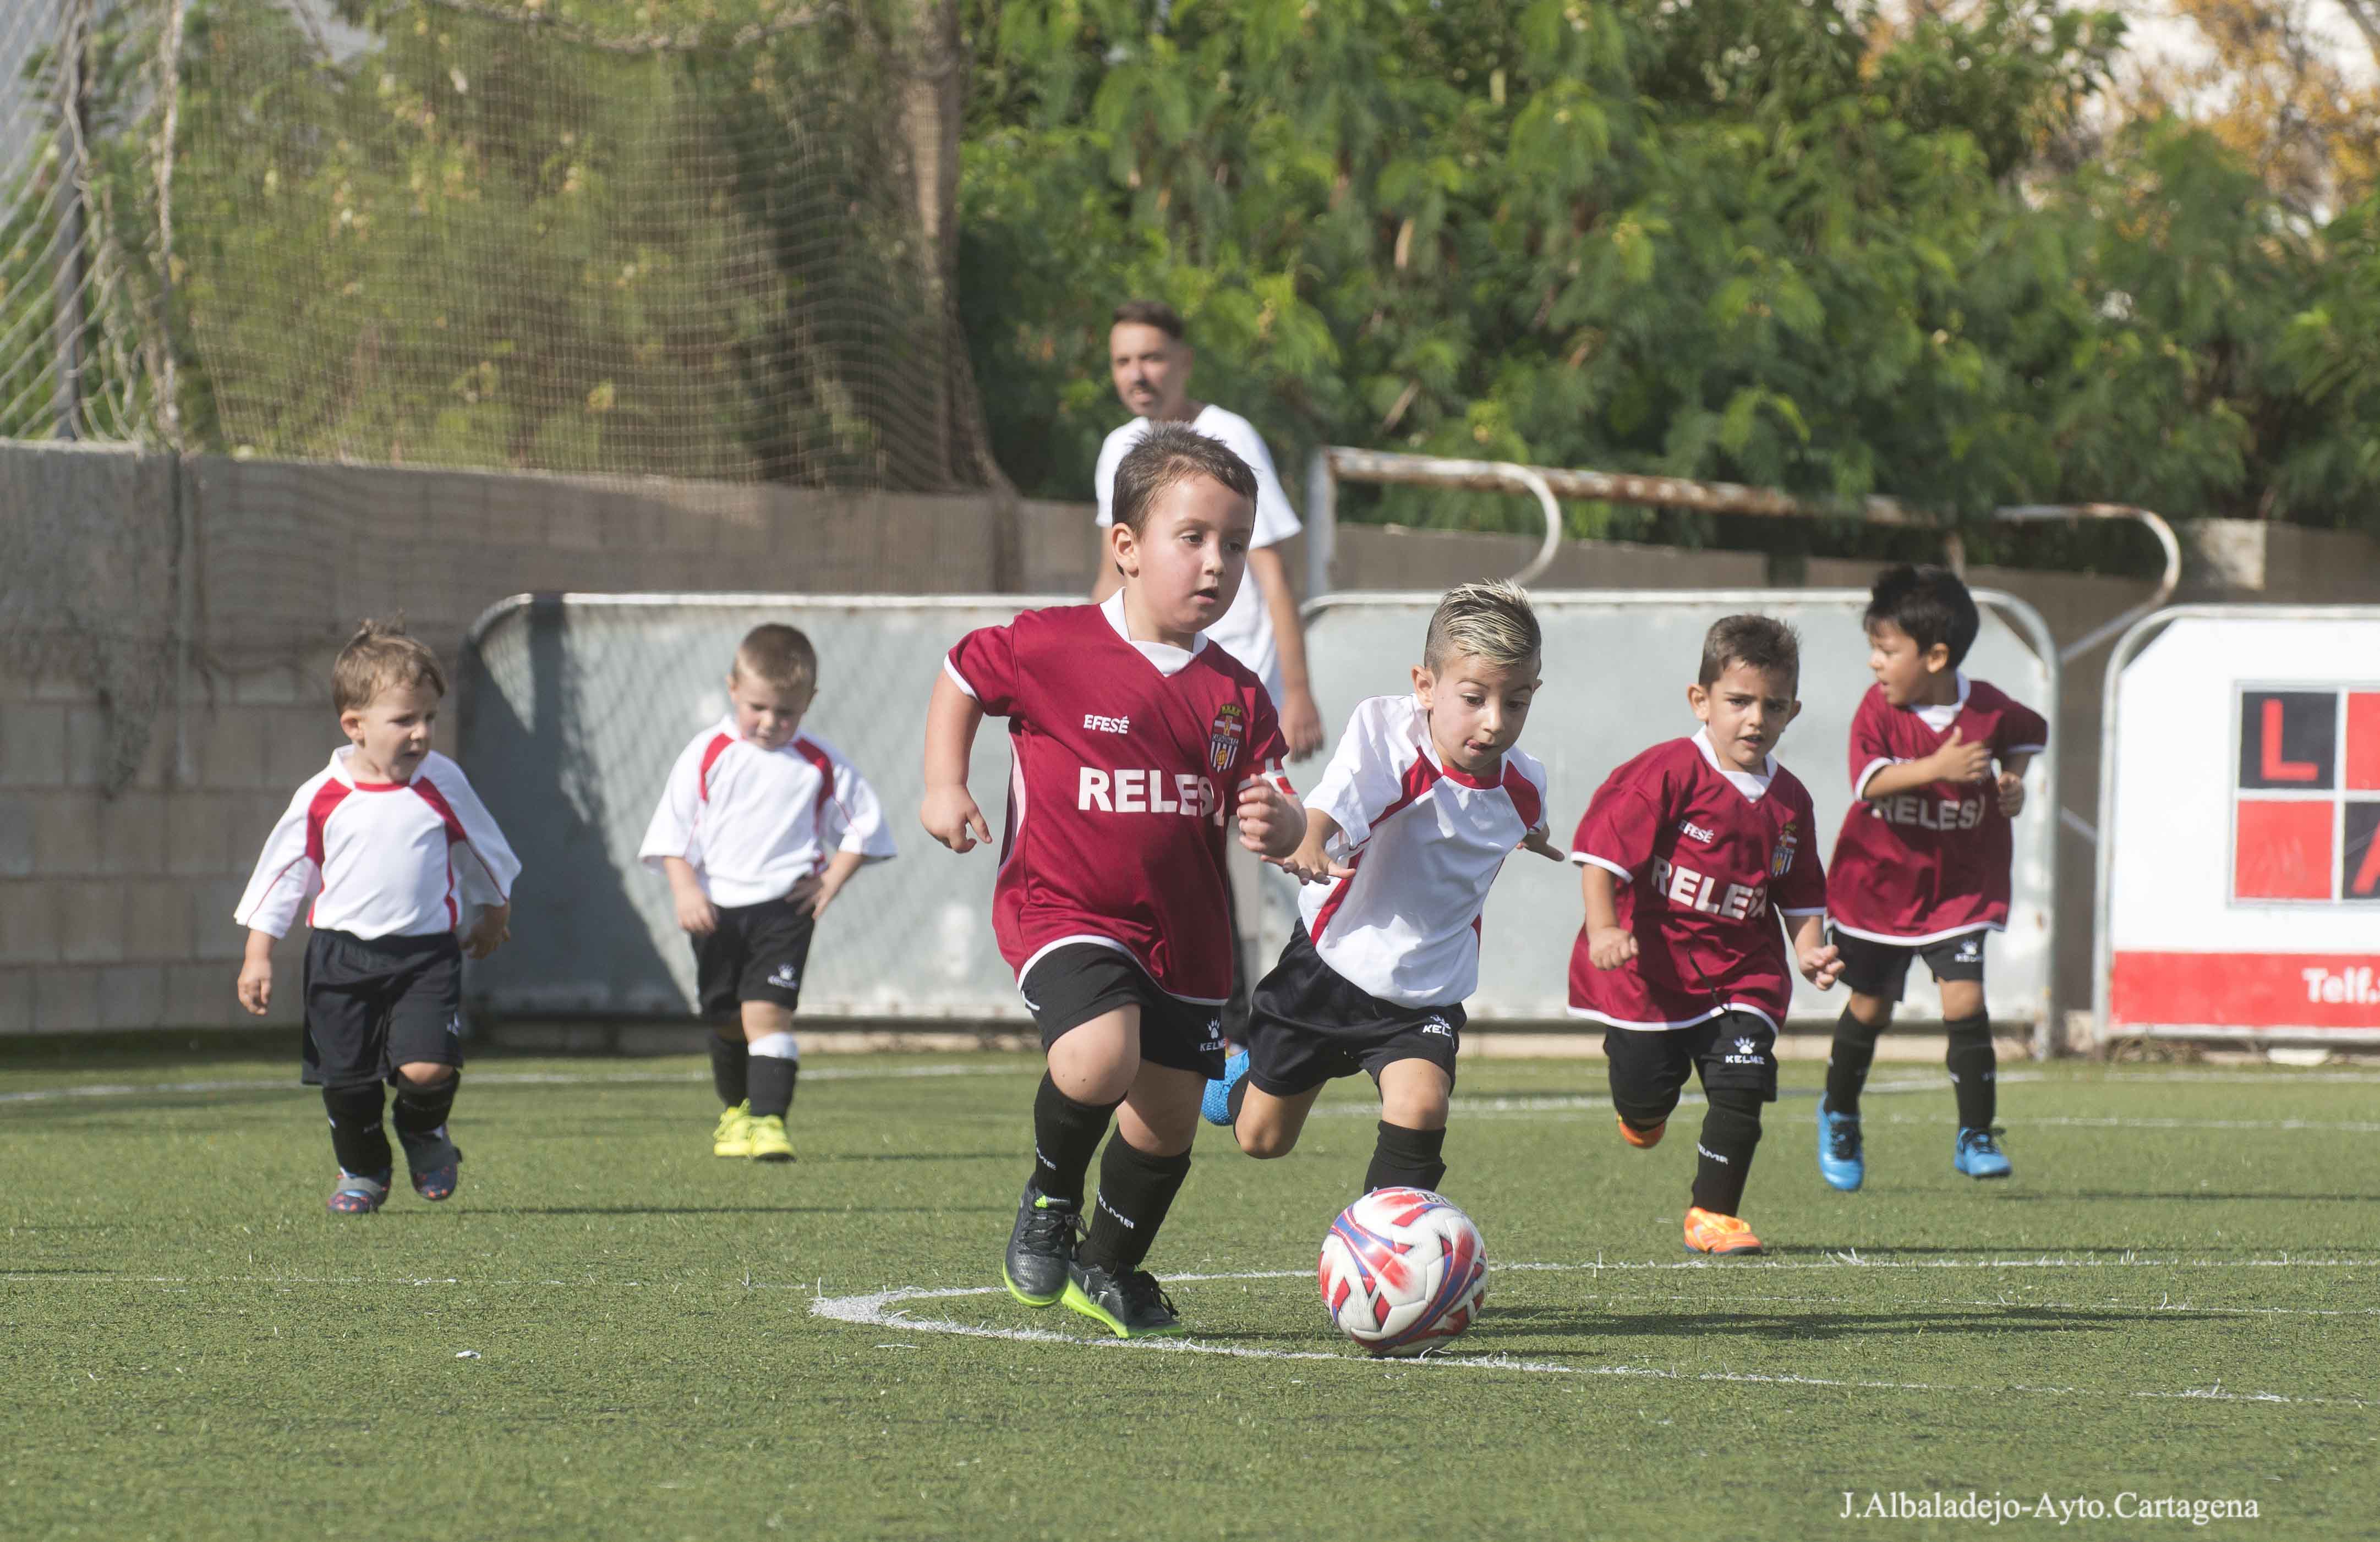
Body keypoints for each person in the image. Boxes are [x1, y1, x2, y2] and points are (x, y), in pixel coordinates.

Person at [921, 424, 1305, 1338]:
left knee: (1168, 1121)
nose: (1219, 563)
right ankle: (1053, 1194)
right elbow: (962, 674)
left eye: (1237, 544)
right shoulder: (1054, 646)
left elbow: (1274, 788)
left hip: (1187, 935)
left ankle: (1108, 1265)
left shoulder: (1238, 690)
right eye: (1195, 537)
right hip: (1065, 909)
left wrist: (1283, 823)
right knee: (1099, 1056)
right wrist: (944, 779)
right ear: (1125, 548)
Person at [1200, 581, 1559, 1198]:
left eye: (1516, 702)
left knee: (1421, 1105)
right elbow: (1339, 802)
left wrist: (1535, 834)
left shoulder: (1524, 784)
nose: (1494, 722)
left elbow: (1520, 815)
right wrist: (1308, 838)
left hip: (1425, 992)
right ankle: (1241, 1083)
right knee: (1262, 1139)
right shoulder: (1387, 736)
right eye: (1472, 698)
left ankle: (1391, 1253)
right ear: (1425, 685)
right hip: (1330, 968)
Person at [1567, 614, 1843, 1256]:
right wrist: (1605, 929)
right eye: (1738, 701)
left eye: (1772, 706)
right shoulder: (1664, 772)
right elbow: (1599, 854)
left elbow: (1797, 890)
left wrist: (1808, 950)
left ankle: (1712, 1214)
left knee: (1743, 1080)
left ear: (1792, 712)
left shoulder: (1790, 801)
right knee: (1641, 1099)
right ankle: (1640, 1112)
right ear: (1701, 701)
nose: (1755, 719)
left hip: (1741, 973)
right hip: (1648, 977)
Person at [233, 619, 518, 1216]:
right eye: (404, 721)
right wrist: (259, 951)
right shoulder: (323, 796)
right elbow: (285, 874)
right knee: (348, 1082)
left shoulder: (443, 781)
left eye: (429, 719)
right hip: (340, 958)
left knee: (426, 1068)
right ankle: (362, 1170)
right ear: (354, 726)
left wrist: (495, 910)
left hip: (425, 956)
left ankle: (424, 1132)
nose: (421, 734)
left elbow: (483, 846)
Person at [1817, 565, 2047, 1190]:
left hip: (1957, 891)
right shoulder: (1878, 711)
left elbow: (2030, 734)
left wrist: (2014, 780)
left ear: (1936, 655)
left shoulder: (1990, 707)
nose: (1873, 663)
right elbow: (1867, 782)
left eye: (1886, 651)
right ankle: (1838, 1110)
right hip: (1877, 892)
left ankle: (1975, 1132)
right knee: (1869, 1007)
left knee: (1965, 1001)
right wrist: (1937, 765)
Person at [639, 623, 896, 1163]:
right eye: (757, 706)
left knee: (767, 1013)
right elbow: (673, 831)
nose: (770, 722)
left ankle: (770, 1121)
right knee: (726, 1017)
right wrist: (685, 890)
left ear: (809, 703)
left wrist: (831, 879)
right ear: (733, 688)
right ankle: (736, 1111)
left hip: (784, 908)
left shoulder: (819, 762)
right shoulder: (706, 753)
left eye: (787, 712)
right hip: (714, 910)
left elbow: (864, 826)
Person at [1092, 301, 1323, 758]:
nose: (1137, 374)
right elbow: (1111, 573)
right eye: (1123, 361)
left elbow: (1273, 578)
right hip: (1152, 684)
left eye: (1152, 358)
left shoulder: (1229, 436)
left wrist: (1297, 691)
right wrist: (1087, 666)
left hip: (1233, 685)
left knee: (1242, 825)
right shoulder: (1117, 446)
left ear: (1185, 362)